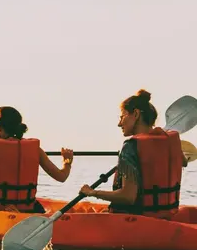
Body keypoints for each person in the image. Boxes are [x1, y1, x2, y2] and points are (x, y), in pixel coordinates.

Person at [79, 89, 185, 220]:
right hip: (165, 218)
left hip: (134, 221)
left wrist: (92, 192)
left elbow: (128, 197)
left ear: (135, 114)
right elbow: (184, 161)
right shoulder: (169, 141)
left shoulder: (130, 146)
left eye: (122, 116)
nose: (119, 123)